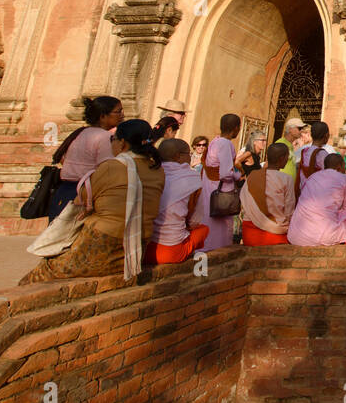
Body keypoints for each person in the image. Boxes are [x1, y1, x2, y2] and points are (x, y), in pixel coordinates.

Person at [22, 119, 164, 284]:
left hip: (102, 242)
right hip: (136, 246)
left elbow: (81, 200)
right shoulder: (158, 171)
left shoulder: (112, 166)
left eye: (113, 139)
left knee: (40, 274)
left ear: (122, 143)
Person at [49, 96, 124, 222]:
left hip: (64, 190)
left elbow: (63, 159)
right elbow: (106, 169)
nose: (122, 115)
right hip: (83, 194)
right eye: (118, 111)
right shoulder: (105, 137)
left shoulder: (80, 132)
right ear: (103, 116)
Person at [145, 138, 209, 264]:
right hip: (171, 251)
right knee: (203, 229)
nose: (190, 157)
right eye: (188, 154)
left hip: (144, 248)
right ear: (178, 156)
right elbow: (195, 221)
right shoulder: (192, 177)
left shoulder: (148, 172)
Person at [287, 153, 346, 246]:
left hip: (296, 236)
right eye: (344, 166)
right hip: (324, 237)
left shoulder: (313, 177)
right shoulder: (344, 178)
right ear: (339, 167)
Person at [199, 113, 243, 251]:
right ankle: (216, 250)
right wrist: (238, 175)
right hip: (220, 190)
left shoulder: (215, 141)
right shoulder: (225, 143)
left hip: (210, 186)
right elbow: (225, 173)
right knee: (220, 225)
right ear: (236, 128)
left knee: (209, 218)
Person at [241, 142, 296, 245]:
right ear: (281, 158)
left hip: (249, 230)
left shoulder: (252, 176)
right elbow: (289, 212)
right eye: (287, 157)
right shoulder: (286, 179)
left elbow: (243, 200)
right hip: (275, 232)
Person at [295, 121, 332, 197]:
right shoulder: (322, 154)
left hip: (303, 194)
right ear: (326, 135)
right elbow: (329, 177)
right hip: (316, 196)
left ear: (311, 134)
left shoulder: (304, 151)